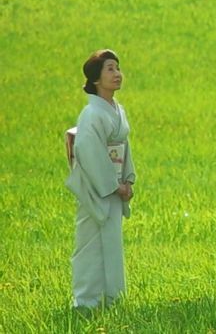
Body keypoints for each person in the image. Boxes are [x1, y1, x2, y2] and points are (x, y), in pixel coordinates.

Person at [65, 49, 136, 310]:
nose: (117, 74)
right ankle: (86, 301)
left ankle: (113, 298)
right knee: (90, 242)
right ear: (96, 78)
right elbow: (89, 151)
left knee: (112, 241)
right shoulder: (91, 114)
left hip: (115, 185)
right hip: (96, 187)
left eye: (118, 68)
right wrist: (112, 184)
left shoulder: (119, 111)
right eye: (110, 69)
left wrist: (127, 179)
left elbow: (124, 146)